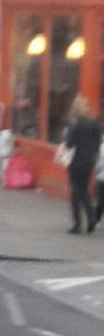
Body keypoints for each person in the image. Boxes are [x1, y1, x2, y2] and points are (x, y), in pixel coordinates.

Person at [63, 94, 102, 234]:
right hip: (89, 161)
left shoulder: (75, 123)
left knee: (75, 191)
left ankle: (78, 223)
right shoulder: (94, 123)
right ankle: (90, 217)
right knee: (83, 189)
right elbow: (98, 143)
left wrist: (66, 135)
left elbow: (69, 144)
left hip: (76, 160)